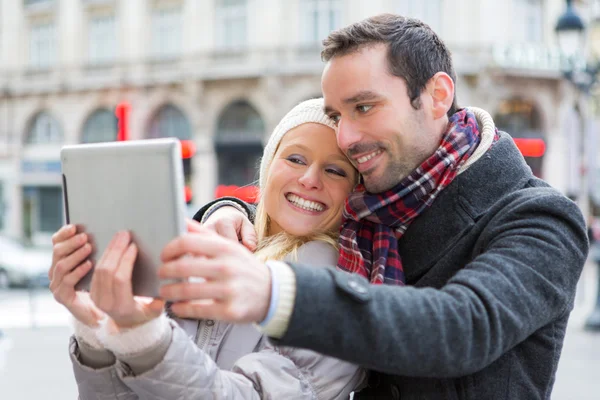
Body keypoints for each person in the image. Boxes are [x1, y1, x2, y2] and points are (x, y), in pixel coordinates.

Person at [156, 14, 589, 399]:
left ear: (437, 95)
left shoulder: (540, 217)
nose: (345, 137)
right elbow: (297, 211)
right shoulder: (379, 200)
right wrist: (226, 211)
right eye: (337, 114)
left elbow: (461, 327)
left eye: (364, 107)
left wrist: (276, 293)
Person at [49, 98, 366, 399]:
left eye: (335, 170)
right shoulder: (204, 254)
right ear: (268, 167)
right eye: (296, 159)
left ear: (354, 193)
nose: (310, 179)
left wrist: (147, 338)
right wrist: (93, 329)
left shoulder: (340, 302)